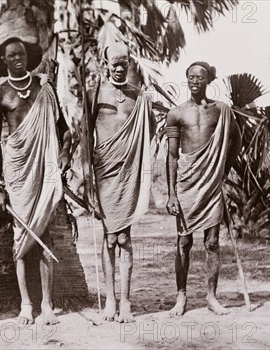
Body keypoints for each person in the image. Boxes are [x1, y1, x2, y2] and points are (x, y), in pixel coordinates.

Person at [0, 37, 72, 325]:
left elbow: (64, 130)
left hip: (44, 169)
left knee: (44, 236)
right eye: (11, 55)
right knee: (21, 236)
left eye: (21, 54)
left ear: (27, 56)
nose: (17, 58)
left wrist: (65, 155)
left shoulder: (44, 88)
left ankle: (47, 304)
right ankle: (25, 305)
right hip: (17, 170)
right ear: (3, 61)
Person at [165, 61, 242, 316]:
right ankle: (181, 297)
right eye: (191, 77)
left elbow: (236, 140)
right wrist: (171, 193)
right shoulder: (176, 113)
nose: (195, 81)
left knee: (212, 243)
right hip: (186, 183)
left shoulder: (221, 111)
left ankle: (211, 297)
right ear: (186, 80)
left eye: (200, 77)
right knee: (183, 242)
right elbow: (172, 156)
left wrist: (222, 171)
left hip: (211, 183)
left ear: (208, 81)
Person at [86, 42, 155, 323]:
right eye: (114, 63)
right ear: (105, 64)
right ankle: (110, 302)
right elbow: (84, 137)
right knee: (109, 237)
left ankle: (126, 301)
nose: (118, 68)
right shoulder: (94, 94)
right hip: (103, 172)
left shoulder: (139, 97)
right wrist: (87, 178)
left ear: (130, 64)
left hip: (128, 173)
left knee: (124, 237)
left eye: (123, 63)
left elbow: (146, 132)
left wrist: (135, 164)